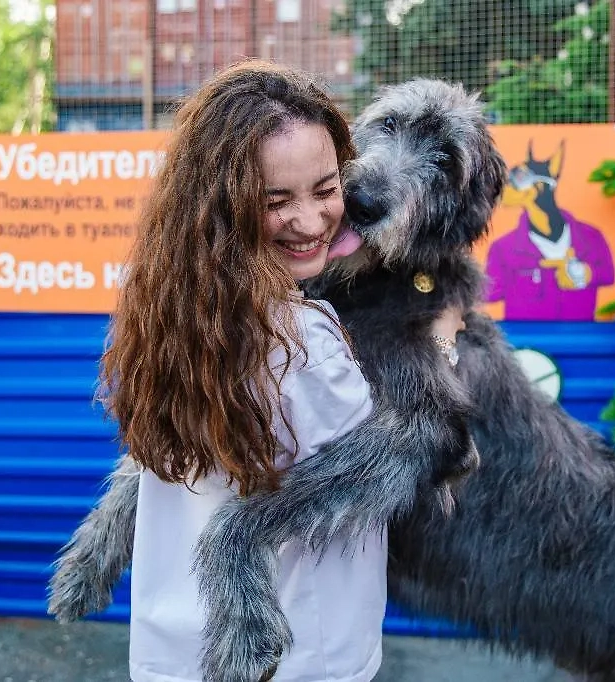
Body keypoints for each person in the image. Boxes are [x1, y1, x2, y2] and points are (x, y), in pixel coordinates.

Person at [97, 59, 465, 682]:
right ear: (228, 204)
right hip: (296, 654)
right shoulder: (305, 343)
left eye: (327, 189)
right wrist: (444, 342)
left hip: (173, 648)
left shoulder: (165, 310)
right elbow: (409, 470)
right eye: (276, 201)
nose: (312, 220)